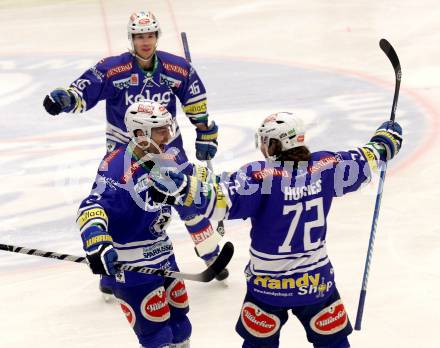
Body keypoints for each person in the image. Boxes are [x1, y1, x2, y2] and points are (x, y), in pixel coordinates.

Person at [150, 112, 403, 348]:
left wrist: (183, 189)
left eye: (266, 141)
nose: (262, 147)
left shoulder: (261, 177)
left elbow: (220, 203)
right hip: (317, 283)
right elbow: (365, 159)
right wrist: (384, 143)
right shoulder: (326, 166)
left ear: (276, 144)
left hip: (268, 287)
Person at [43, 10, 227, 293]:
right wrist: (66, 99)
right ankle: (111, 268)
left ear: (157, 36)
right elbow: (83, 90)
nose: (145, 41)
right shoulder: (113, 68)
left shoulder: (175, 67)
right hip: (124, 150)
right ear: (131, 38)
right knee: (122, 205)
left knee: (185, 195)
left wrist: (205, 131)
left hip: (167, 147)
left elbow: (195, 99)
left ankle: (210, 253)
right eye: (140, 36)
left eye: (150, 35)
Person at [77, 99, 226, 347]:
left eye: (168, 128)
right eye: (160, 130)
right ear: (139, 133)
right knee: (157, 336)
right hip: (132, 266)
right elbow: (92, 206)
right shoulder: (116, 167)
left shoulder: (166, 156)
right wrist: (97, 241)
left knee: (180, 325)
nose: (168, 135)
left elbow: (194, 180)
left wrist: (220, 185)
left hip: (164, 254)